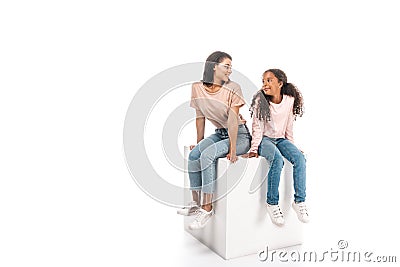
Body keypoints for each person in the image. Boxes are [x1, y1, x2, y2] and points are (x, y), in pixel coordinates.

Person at [177, 51, 251, 230]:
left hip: (239, 135)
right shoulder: (197, 87)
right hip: (219, 133)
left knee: (208, 155)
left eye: (231, 67)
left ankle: (207, 208)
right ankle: (196, 204)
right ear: (213, 67)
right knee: (195, 154)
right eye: (227, 66)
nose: (230, 71)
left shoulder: (234, 87)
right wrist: (200, 141)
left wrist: (233, 148)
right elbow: (199, 116)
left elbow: (233, 120)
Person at [248, 69, 309, 226]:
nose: (265, 84)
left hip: (281, 139)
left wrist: (292, 147)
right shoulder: (260, 101)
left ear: (280, 84)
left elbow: (289, 125)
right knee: (277, 160)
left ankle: (299, 201)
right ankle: (272, 203)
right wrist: (254, 148)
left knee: (300, 159)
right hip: (265, 140)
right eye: (263, 81)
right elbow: (257, 127)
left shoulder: (289, 100)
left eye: (269, 80)